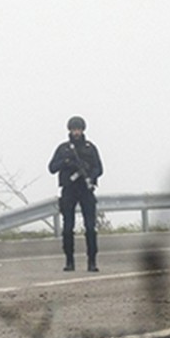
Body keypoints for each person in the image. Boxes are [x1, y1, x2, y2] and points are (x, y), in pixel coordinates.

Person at [48, 115, 103, 271]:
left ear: (83, 130)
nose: (76, 132)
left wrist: (90, 177)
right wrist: (66, 162)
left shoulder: (89, 148)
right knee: (67, 228)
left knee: (90, 227)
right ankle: (69, 261)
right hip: (69, 190)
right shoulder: (63, 149)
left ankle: (92, 262)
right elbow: (52, 168)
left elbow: (99, 168)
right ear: (70, 130)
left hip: (85, 190)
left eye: (78, 129)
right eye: (73, 129)